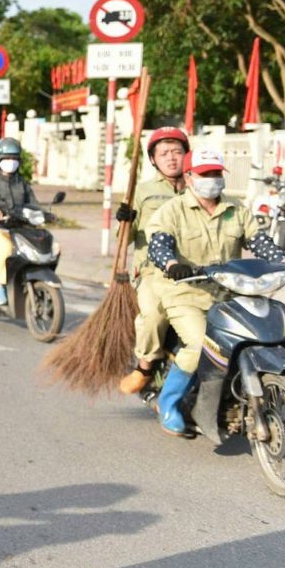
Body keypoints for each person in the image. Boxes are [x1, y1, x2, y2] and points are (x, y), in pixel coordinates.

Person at [139, 149, 285, 435]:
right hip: (185, 294)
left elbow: (259, 242)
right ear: (190, 178)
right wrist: (172, 264)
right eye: (205, 174)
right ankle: (169, 404)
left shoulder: (236, 209)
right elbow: (159, 244)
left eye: (216, 173)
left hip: (231, 294)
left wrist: (284, 262)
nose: (212, 179)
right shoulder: (172, 210)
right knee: (199, 346)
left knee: (264, 334)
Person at [115, 127, 190, 395]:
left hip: (197, 272)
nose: (171, 158)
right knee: (153, 314)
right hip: (153, 272)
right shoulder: (143, 191)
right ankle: (145, 366)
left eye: (177, 152)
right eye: (164, 153)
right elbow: (124, 237)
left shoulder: (198, 187)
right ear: (153, 159)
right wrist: (125, 219)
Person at [0, 137, 39, 306]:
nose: (11, 162)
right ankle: (0, 287)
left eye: (14, 159)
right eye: (6, 158)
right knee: (4, 248)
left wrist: (43, 214)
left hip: (19, 228)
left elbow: (32, 203)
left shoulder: (23, 184)